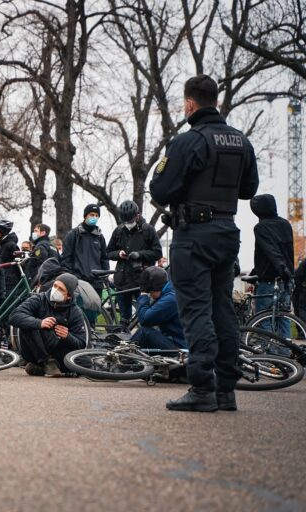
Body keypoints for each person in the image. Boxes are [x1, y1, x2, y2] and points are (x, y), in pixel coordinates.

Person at [150, 74, 259, 412]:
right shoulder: (241, 142)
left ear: (189, 104)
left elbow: (161, 191)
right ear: (217, 102)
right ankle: (226, 390)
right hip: (226, 234)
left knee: (196, 311)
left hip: (193, 237)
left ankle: (201, 387)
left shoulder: (188, 141)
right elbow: (248, 190)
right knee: (222, 310)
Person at [9, 273, 87, 377]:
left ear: (68, 296)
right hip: (35, 349)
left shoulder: (75, 311)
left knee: (86, 362)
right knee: (28, 324)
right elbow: (14, 316)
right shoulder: (39, 299)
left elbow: (81, 343)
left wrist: (68, 336)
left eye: (61, 289)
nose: (55, 290)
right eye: (55, 286)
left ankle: (40, 368)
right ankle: (46, 362)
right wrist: (39, 323)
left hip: (57, 348)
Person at [106, 200, 162, 325]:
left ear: (137, 215)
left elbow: (158, 253)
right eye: (125, 221)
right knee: (124, 320)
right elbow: (108, 252)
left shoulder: (148, 230)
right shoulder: (119, 231)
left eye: (130, 221)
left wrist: (140, 254)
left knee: (145, 317)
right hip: (123, 280)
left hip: (141, 281)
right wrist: (119, 254)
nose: (128, 224)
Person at [250, 194, 294, 339]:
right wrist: (286, 271)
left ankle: (268, 351)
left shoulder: (261, 227)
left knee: (263, 317)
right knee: (284, 316)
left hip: (269, 279)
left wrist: (280, 267)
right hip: (286, 278)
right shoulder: (285, 224)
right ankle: (284, 352)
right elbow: (284, 251)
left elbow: (270, 250)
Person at [132, 266, 186, 351]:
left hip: (180, 348)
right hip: (179, 339)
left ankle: (122, 357)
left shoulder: (170, 300)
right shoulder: (172, 288)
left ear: (154, 290)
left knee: (144, 332)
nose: (150, 296)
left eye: (150, 293)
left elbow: (144, 320)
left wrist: (143, 295)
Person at [61, 204, 109, 295]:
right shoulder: (73, 234)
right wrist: (73, 277)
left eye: (96, 215)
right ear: (85, 216)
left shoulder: (100, 237)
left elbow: (104, 259)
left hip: (97, 284)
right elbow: (65, 259)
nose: (94, 217)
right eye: (91, 214)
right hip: (78, 283)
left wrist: (103, 277)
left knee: (96, 309)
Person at [0, 220, 21, 294]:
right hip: (2, 280)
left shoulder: (11, 245)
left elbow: (18, 264)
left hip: (9, 282)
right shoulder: (0, 244)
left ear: (1, 232)